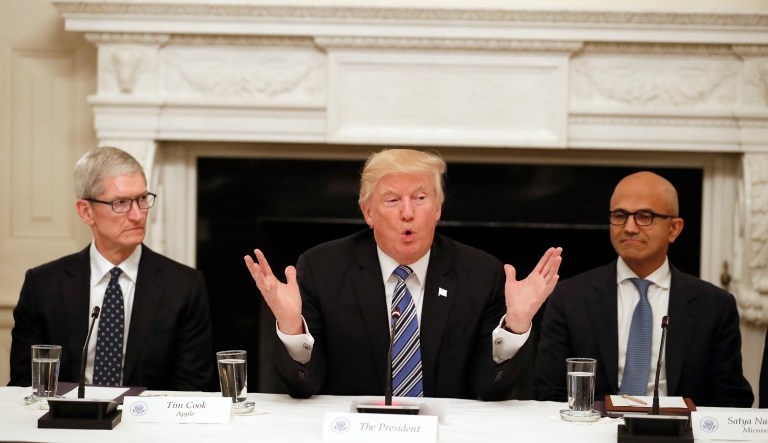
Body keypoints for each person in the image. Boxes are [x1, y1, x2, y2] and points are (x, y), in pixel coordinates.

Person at [244, 148, 562, 400]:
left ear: (438, 209)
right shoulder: (322, 268)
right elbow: (303, 387)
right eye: (392, 200)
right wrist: (291, 326)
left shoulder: (480, 274)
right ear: (368, 212)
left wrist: (516, 326)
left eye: (420, 199)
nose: (407, 212)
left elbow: (490, 389)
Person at [535, 171, 753, 407]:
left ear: (674, 229)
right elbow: (548, 393)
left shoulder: (714, 305)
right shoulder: (569, 298)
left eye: (644, 216)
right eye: (620, 215)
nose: (629, 227)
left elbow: (732, 398)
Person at [9, 146, 214, 391]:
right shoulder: (43, 285)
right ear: (86, 211)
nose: (138, 215)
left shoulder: (184, 286)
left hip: (150, 425)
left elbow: (192, 390)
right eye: (121, 203)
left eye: (141, 199)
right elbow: (26, 385)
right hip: (66, 425)